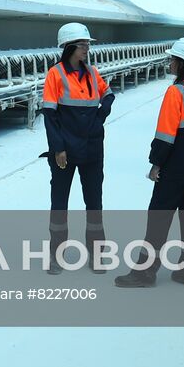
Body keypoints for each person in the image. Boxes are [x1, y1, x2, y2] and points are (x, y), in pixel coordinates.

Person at [115, 37, 184, 288]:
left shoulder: (176, 91)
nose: (169, 62)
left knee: (159, 218)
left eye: (172, 59)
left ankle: (144, 272)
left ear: (182, 63)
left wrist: (156, 163)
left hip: (175, 167)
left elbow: (165, 134)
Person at [40, 22, 114, 274]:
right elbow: (49, 116)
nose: (87, 49)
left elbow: (108, 93)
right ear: (70, 47)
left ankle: (96, 255)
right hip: (65, 150)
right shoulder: (55, 75)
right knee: (59, 203)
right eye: (83, 45)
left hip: (92, 148)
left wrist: (102, 113)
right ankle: (56, 256)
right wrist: (58, 148)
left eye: (87, 45)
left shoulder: (93, 72)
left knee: (94, 202)